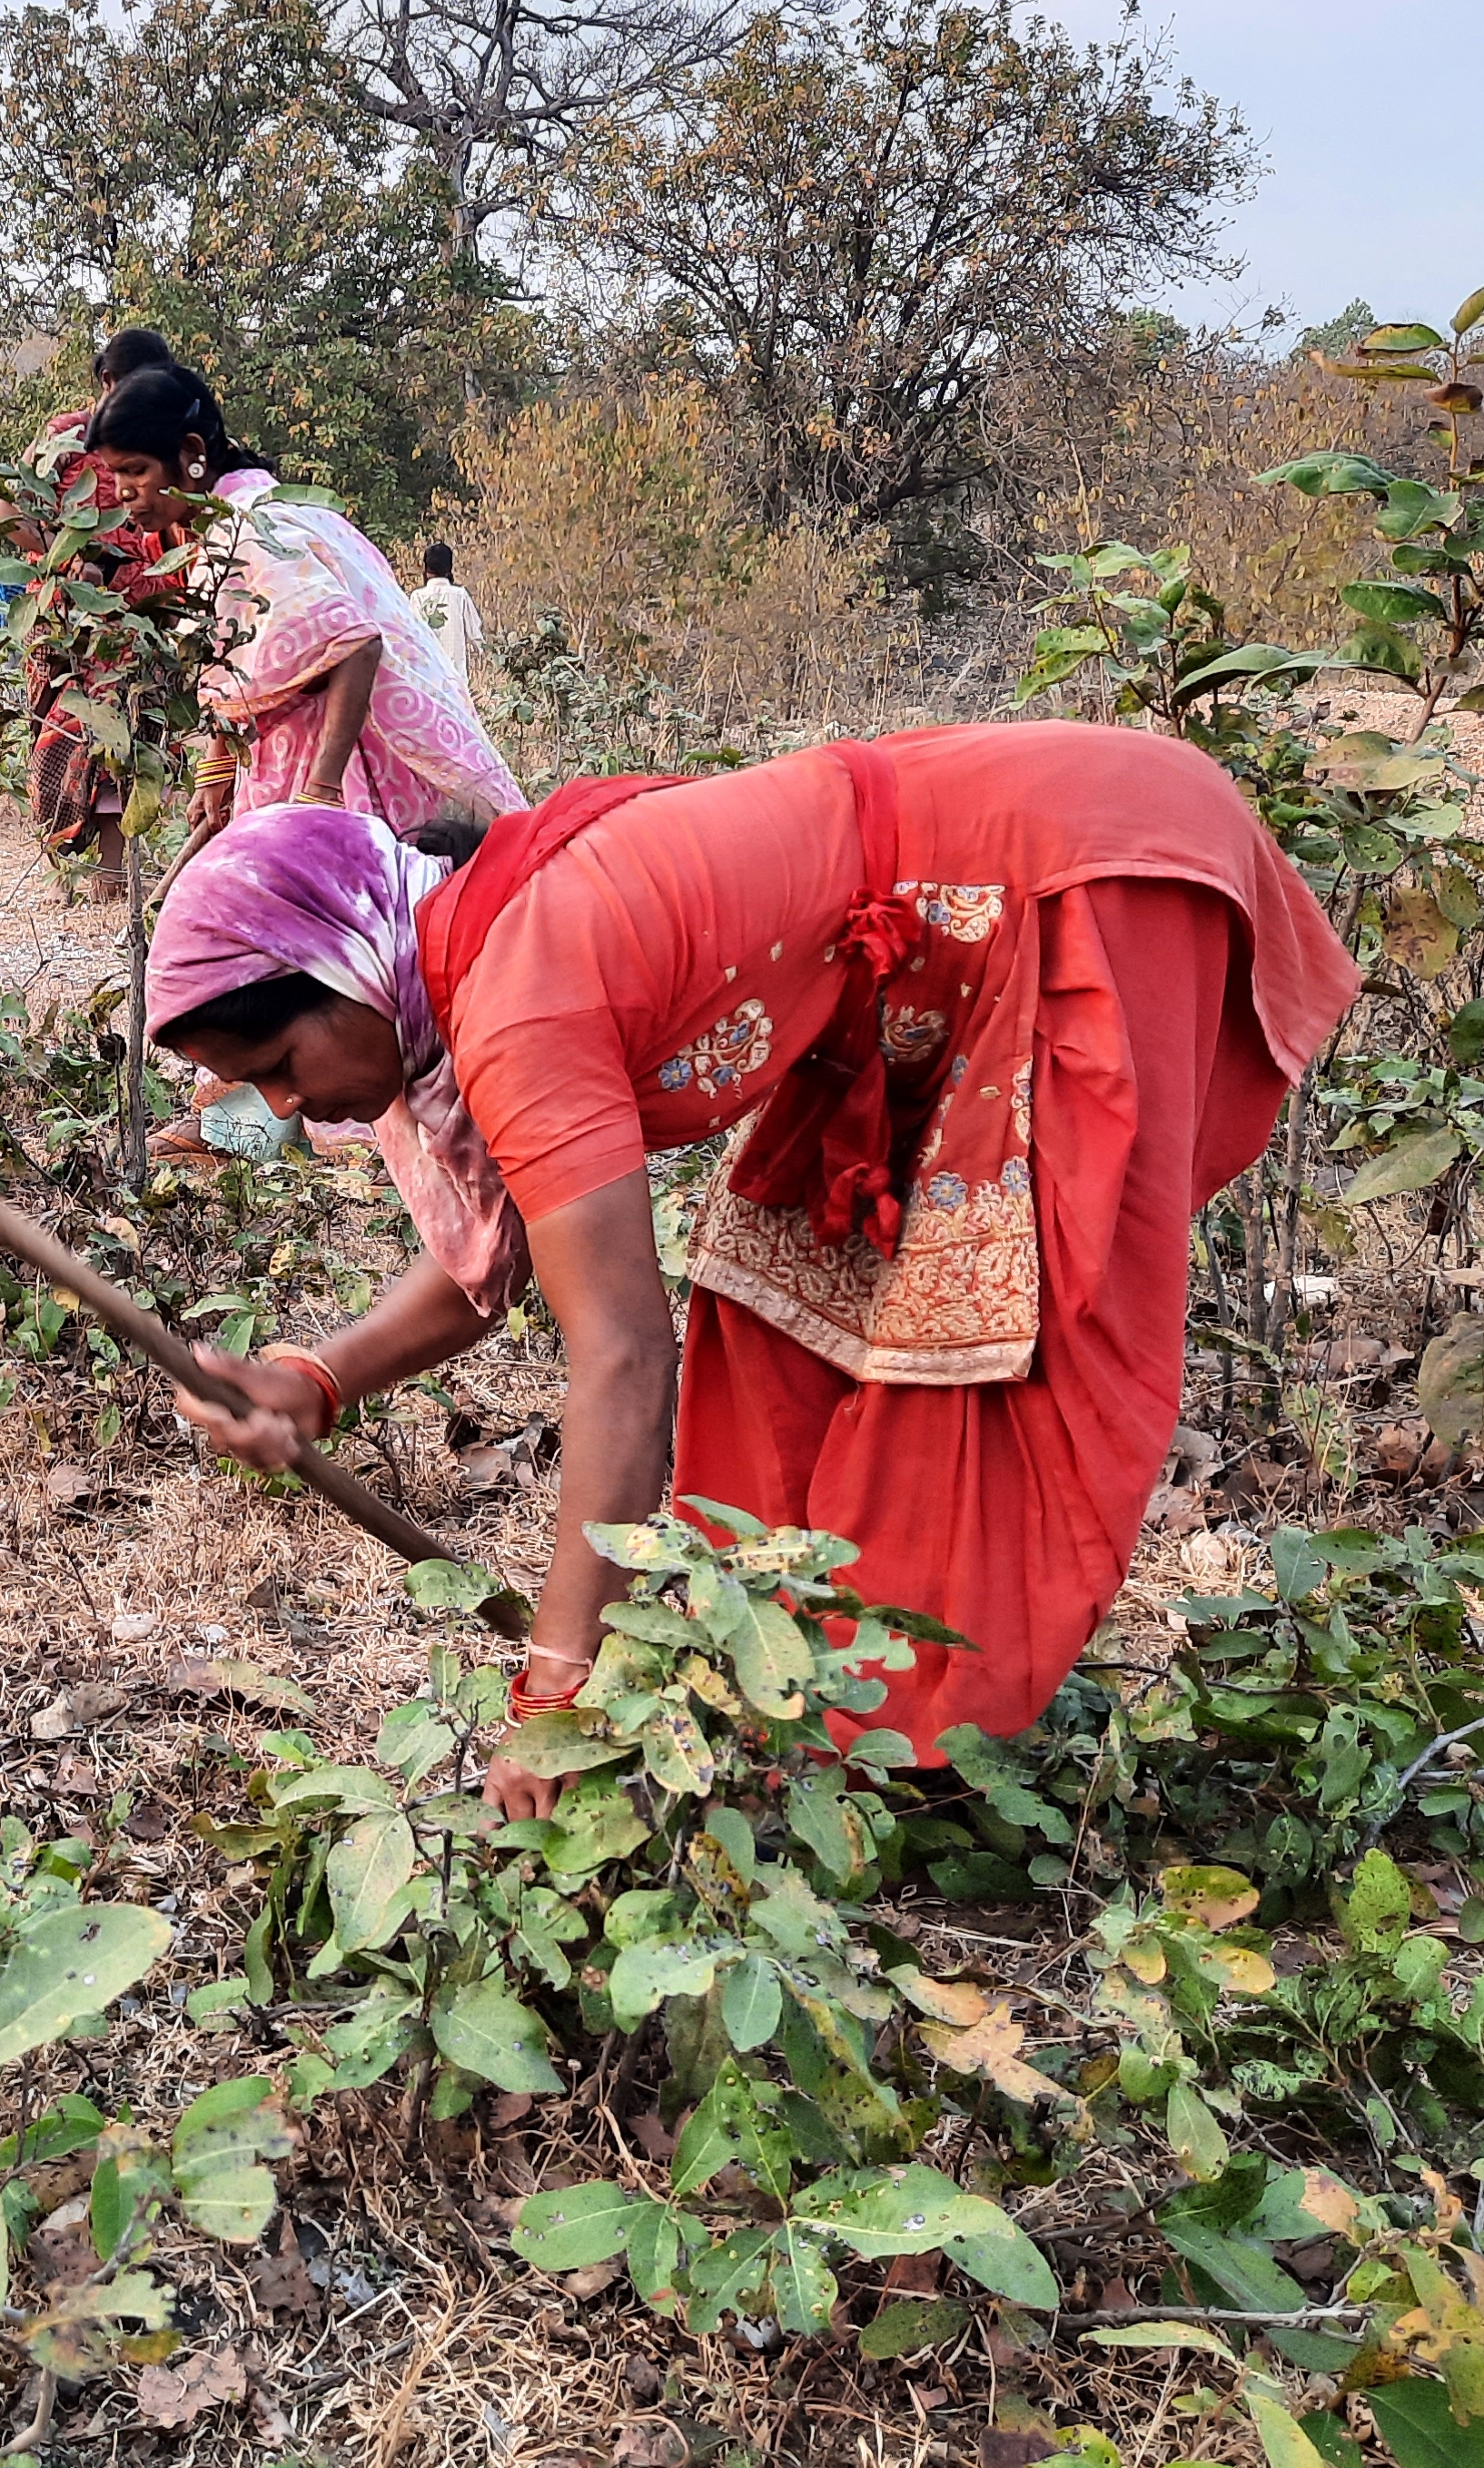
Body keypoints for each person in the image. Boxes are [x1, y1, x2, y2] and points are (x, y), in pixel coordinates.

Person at [141, 724, 1359, 1818]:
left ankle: (930, 1751)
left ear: (350, 962)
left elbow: (618, 1355)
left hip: (1075, 871)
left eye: (282, 1060)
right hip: (915, 967)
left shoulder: (518, 993)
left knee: (994, 1326)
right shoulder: (474, 947)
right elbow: (507, 1252)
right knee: (775, 1310)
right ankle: (831, 1713)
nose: (291, 1105)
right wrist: (318, 1378)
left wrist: (556, 1695)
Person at [85, 366, 521, 850]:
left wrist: (321, 794)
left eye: (136, 470)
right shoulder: (251, 515)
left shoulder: (252, 531)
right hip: (296, 764)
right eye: (116, 474)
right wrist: (218, 768)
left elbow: (357, 644)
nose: (124, 491)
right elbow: (244, 671)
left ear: (190, 454)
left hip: (343, 770)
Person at [24, 327, 180, 881]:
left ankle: (117, 872)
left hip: (144, 610)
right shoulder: (65, 439)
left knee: (130, 736)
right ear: (109, 383)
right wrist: (65, 562)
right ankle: (69, 863)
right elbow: (12, 515)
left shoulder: (166, 440)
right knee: (64, 737)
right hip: (70, 614)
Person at [410, 541, 481, 689]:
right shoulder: (460, 596)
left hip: (426, 678)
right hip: (456, 681)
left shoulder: (417, 597)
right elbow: (476, 637)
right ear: (449, 569)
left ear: (426, 569)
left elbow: (411, 636)